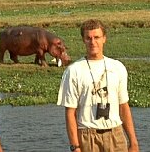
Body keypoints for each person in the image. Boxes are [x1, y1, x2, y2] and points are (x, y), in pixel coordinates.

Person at [57, 19, 139, 152]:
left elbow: (123, 107)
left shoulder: (117, 67)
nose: (93, 42)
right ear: (83, 40)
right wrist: (75, 147)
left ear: (104, 38)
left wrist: (133, 142)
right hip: (87, 137)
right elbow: (70, 112)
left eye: (97, 37)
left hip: (116, 135)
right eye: (88, 38)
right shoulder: (73, 71)